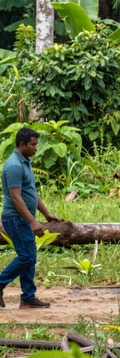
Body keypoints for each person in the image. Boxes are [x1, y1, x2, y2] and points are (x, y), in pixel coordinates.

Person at [0, 127, 61, 309]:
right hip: (15, 217)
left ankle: (28, 297)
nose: (36, 148)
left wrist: (46, 214)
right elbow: (16, 197)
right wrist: (32, 221)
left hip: (23, 218)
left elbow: (31, 193)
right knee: (27, 256)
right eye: (33, 145)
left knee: (29, 256)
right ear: (22, 144)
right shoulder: (13, 166)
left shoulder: (24, 162)